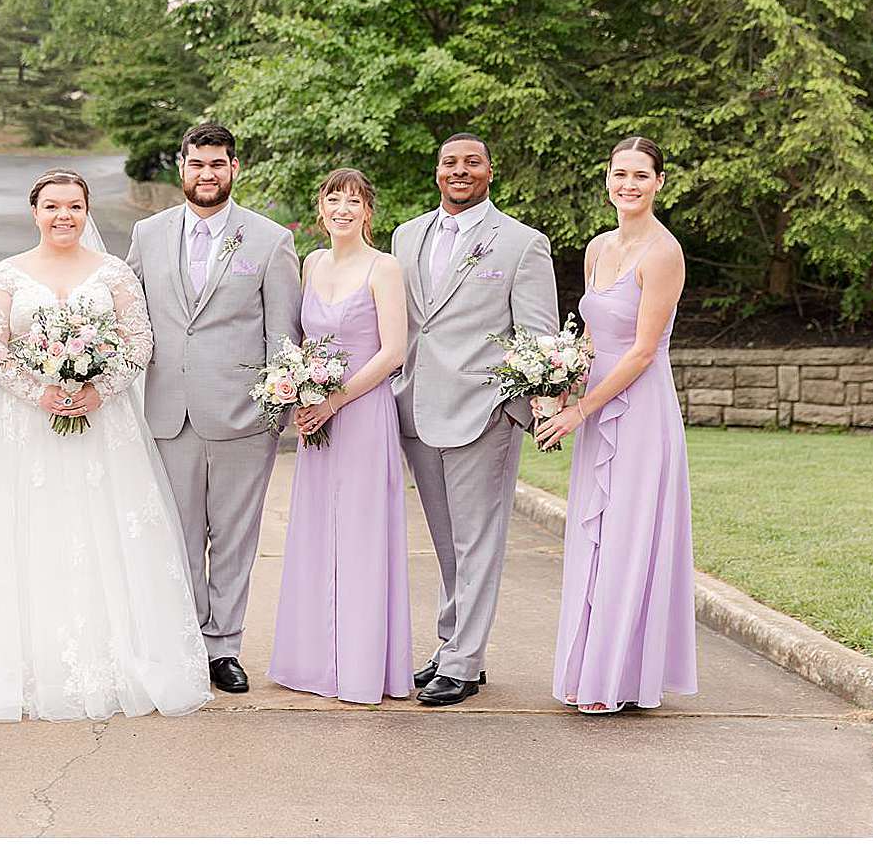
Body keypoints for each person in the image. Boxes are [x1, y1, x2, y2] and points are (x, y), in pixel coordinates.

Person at [0, 169, 211, 722]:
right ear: (35, 211)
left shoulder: (114, 273)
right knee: (27, 533)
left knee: (103, 532)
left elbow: (139, 340)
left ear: (86, 211)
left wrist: (98, 389)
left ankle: (119, 659)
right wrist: (40, 390)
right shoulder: (5, 275)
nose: (63, 216)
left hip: (104, 428)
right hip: (23, 428)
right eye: (52, 206)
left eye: (74, 206)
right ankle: (25, 663)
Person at [126, 123, 303, 694]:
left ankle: (223, 646)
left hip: (242, 418)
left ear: (235, 169)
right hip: (167, 413)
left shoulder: (270, 240)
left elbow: (283, 334)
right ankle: (184, 643)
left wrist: (277, 410)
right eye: (198, 163)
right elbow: (128, 318)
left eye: (218, 164)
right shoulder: (147, 235)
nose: (208, 174)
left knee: (232, 536)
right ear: (182, 167)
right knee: (176, 536)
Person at [390, 133, 558, 707]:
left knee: (478, 540)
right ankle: (453, 645)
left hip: (483, 412)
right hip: (417, 406)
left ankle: (463, 661)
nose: (459, 171)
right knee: (445, 542)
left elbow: (537, 335)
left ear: (491, 171)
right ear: (437, 171)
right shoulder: (406, 235)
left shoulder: (521, 243)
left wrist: (524, 406)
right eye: (449, 163)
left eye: (472, 163)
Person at [534, 137, 698, 714]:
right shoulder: (598, 248)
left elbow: (642, 351)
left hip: (640, 408)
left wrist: (582, 410)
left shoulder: (664, 253)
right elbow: (591, 337)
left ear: (660, 183)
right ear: (608, 180)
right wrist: (559, 387)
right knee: (594, 534)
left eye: (640, 175)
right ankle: (588, 668)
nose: (628, 184)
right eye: (619, 174)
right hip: (595, 400)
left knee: (629, 536)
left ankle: (620, 678)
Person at [269, 168, 412, 704]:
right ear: (321, 208)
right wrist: (302, 395)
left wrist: (334, 399)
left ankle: (361, 666)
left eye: (354, 201)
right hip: (317, 417)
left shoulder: (385, 267)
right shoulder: (312, 263)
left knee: (360, 534)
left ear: (368, 211)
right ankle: (313, 662)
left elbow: (393, 351)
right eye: (333, 198)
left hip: (362, 413)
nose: (343, 209)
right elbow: (307, 344)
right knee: (316, 531)